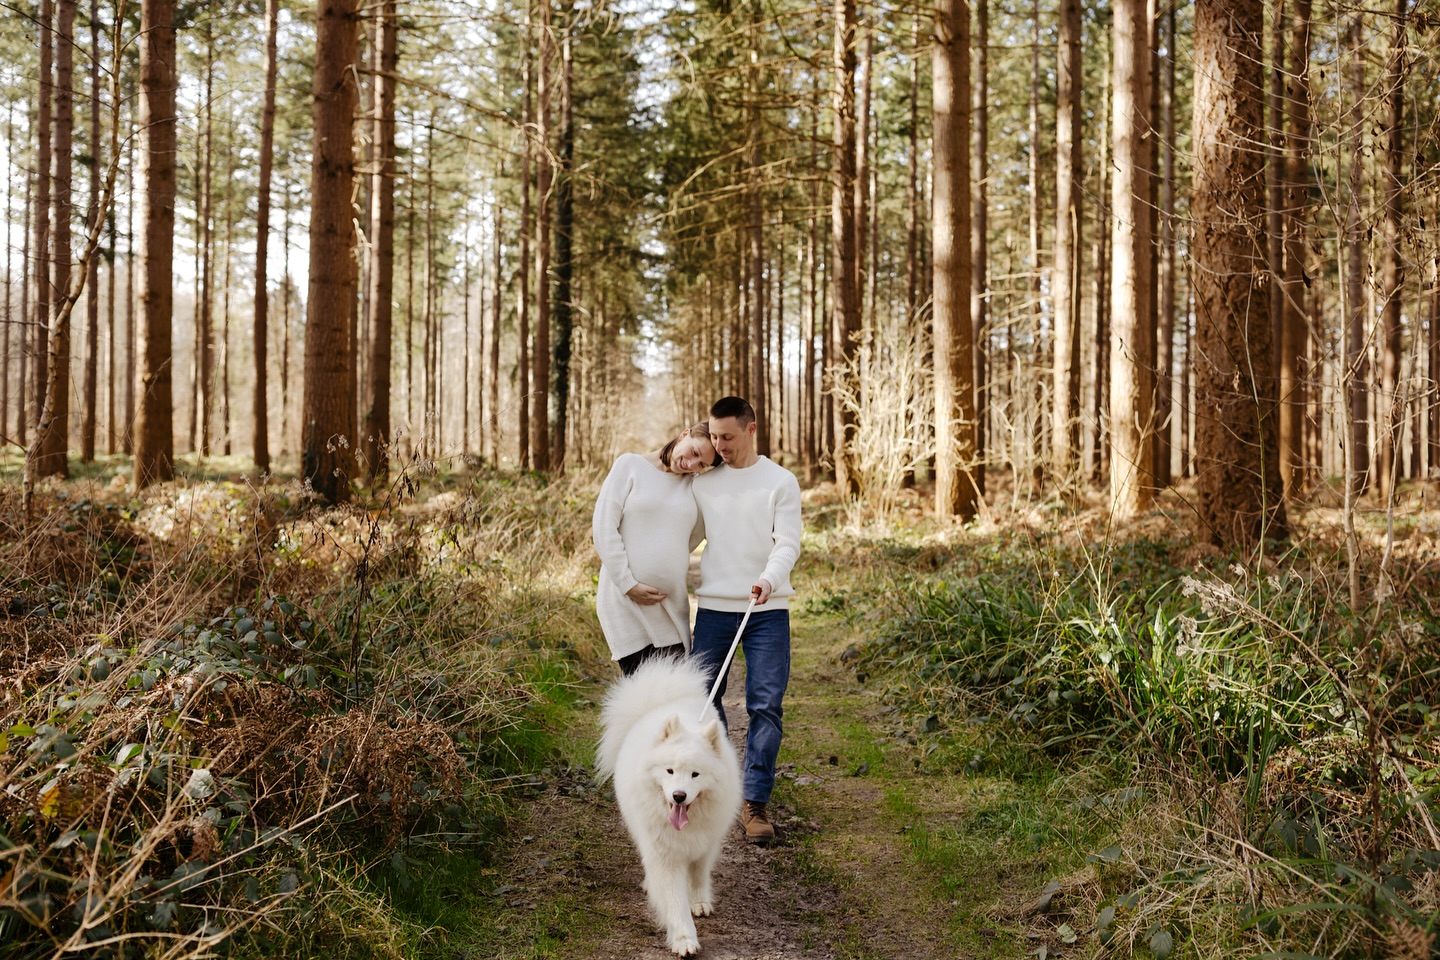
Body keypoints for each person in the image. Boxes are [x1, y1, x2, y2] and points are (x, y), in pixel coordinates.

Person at [690, 396, 802, 843]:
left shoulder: (780, 482)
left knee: (765, 705)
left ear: (751, 429)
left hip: (766, 610)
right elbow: (683, 538)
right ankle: (720, 784)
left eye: (728, 437)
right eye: (714, 436)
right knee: (702, 698)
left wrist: (769, 579)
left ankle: (754, 802)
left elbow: (787, 543)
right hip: (714, 609)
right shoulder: (703, 484)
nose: (719, 445)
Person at [593, 422, 721, 676]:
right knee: (646, 690)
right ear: (684, 434)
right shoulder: (630, 466)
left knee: (676, 690)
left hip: (670, 606)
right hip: (625, 602)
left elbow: (691, 538)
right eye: (694, 452)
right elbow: (603, 528)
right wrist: (628, 583)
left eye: (702, 464)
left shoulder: (693, 486)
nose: (691, 464)